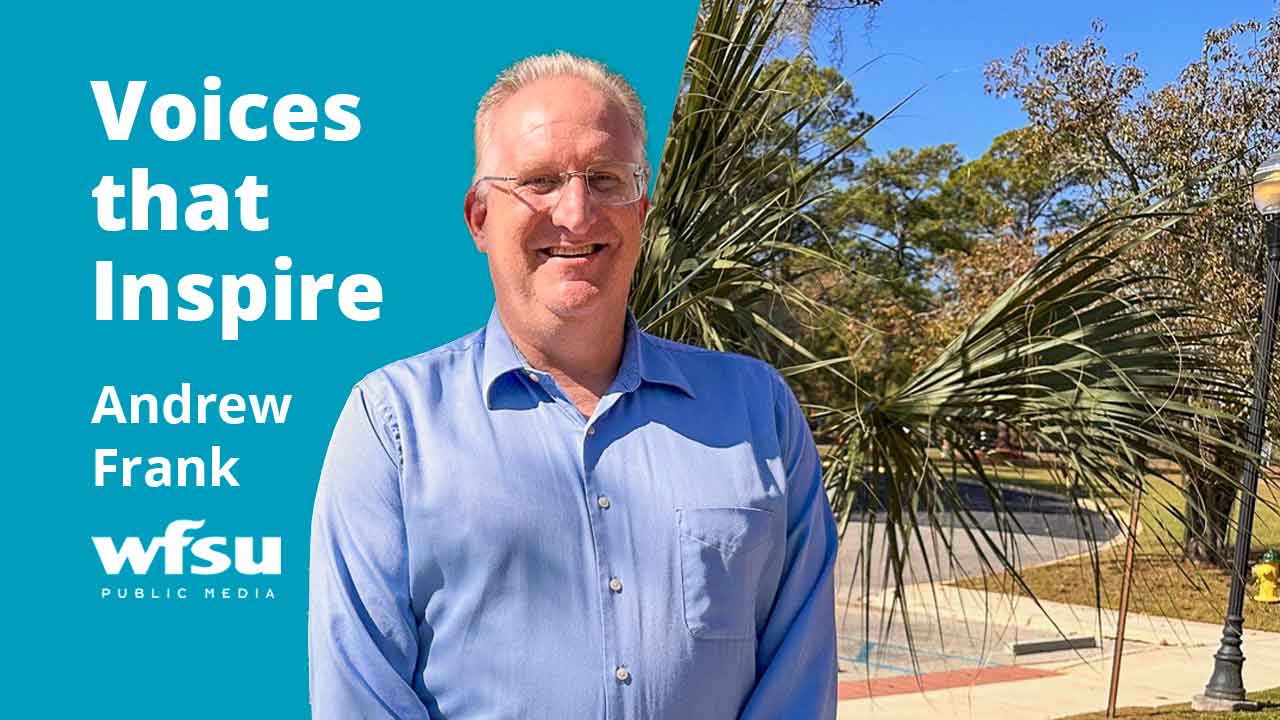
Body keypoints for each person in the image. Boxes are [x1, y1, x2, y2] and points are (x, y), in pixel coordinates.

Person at [308, 51, 838, 719]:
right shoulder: (393, 424)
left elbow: (798, 677)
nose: (578, 211)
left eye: (605, 177)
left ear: (640, 209)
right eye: (539, 180)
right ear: (479, 217)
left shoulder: (757, 413)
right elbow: (363, 694)